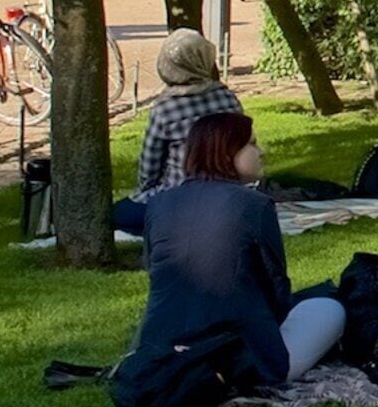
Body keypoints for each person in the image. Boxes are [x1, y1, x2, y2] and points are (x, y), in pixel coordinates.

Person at [123, 111, 345, 390]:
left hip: (161, 352)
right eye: (251, 144)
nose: (260, 152)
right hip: (236, 361)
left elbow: (157, 275)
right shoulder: (254, 204)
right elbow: (276, 288)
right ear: (227, 152)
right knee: (329, 308)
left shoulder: (159, 204)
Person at [133, 28, 243, 195]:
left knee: (121, 209)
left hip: (178, 192)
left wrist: (146, 191)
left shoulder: (165, 109)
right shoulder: (228, 98)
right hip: (228, 189)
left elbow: (149, 166)